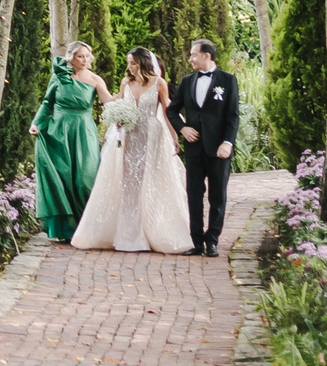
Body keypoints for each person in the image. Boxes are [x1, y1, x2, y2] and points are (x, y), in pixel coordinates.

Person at [68, 46, 191, 253]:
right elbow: (117, 102)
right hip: (129, 136)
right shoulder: (126, 82)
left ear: (143, 63)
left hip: (152, 135)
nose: (130, 67)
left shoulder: (159, 83)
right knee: (129, 182)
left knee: (150, 180)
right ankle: (129, 234)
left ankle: (152, 229)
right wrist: (116, 116)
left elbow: (166, 110)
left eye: (133, 63)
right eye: (128, 63)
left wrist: (173, 136)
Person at [168, 36, 240, 256]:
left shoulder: (228, 80)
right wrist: (182, 128)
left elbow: (233, 116)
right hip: (194, 149)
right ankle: (197, 242)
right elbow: (172, 110)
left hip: (218, 149)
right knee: (194, 194)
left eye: (193, 55)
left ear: (206, 55)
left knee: (217, 196)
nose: (190, 59)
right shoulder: (187, 81)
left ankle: (213, 240)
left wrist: (227, 142)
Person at [30, 43, 107, 242]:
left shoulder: (95, 79)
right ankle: (66, 231)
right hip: (58, 131)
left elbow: (109, 101)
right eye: (80, 56)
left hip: (83, 131)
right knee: (63, 179)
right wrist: (36, 122)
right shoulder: (59, 77)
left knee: (85, 179)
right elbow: (47, 102)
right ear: (71, 57)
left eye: (87, 56)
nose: (85, 60)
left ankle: (87, 228)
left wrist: (127, 89)